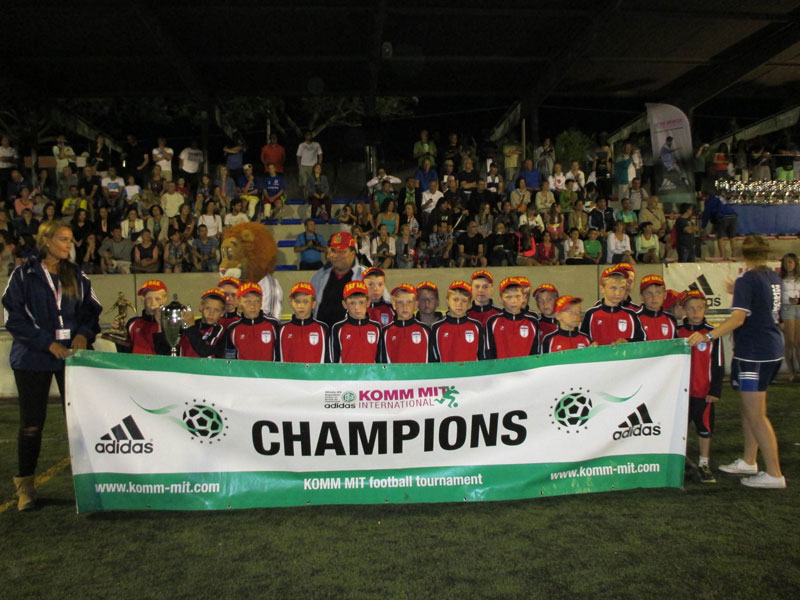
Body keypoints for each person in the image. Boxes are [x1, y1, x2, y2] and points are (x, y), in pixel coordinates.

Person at [2, 221, 102, 510]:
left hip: (71, 356)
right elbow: (14, 319)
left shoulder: (77, 275)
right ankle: (25, 487)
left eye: (70, 240)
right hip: (33, 358)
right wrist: (47, 344)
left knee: (79, 423)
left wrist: (83, 334)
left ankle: (88, 485)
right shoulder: (24, 275)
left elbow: (91, 312)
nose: (69, 245)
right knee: (32, 424)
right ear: (46, 241)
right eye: (63, 239)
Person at [687, 236, 785, 488]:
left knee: (756, 415)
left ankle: (774, 474)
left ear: (743, 254)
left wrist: (708, 335)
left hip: (754, 354)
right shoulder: (772, 276)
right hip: (770, 348)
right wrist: (736, 290)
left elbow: (738, 319)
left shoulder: (747, 279)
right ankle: (749, 460)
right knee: (749, 409)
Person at [677, 290, 724, 483]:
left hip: (703, 392)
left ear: (706, 309)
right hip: (681, 392)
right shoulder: (677, 331)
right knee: (680, 429)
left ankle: (704, 463)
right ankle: (681, 461)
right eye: (691, 308)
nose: (695, 312)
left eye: (699, 307)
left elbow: (719, 363)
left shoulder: (713, 333)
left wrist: (715, 390)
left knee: (704, 428)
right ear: (683, 310)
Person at [311, 232, 368, 329]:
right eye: (333, 251)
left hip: (353, 334)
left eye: (341, 252)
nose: (336, 255)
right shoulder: (320, 275)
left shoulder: (366, 276)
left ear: (352, 254)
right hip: (323, 333)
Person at [580, 267, 644, 346]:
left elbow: (642, 341)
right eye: (613, 288)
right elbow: (582, 341)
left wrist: (627, 342)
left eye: (622, 288)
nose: (618, 293)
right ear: (602, 288)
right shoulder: (591, 314)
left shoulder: (631, 315)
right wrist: (590, 345)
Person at [430, 280, 486, 362]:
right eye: (455, 300)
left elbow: (482, 356)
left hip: (472, 370)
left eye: (464, 301)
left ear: (469, 304)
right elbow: (433, 359)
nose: (459, 304)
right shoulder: (437, 328)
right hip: (446, 370)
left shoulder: (477, 326)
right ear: (447, 302)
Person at [485, 277, 540, 359]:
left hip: (526, 367)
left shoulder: (532, 322)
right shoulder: (492, 321)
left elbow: (536, 352)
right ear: (500, 299)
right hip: (501, 367)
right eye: (508, 297)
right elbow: (489, 351)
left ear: (523, 298)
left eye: (518, 296)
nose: (514, 301)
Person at [379, 284, 433, 363]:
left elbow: (433, 362)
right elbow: (382, 363)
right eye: (400, 302)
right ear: (394, 305)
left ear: (416, 305)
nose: (405, 306)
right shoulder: (385, 332)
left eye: (409, 302)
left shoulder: (426, 330)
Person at [330, 281, 381, 364]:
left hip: (371, 372)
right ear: (344, 304)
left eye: (361, 302)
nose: (357, 307)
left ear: (368, 302)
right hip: (346, 372)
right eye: (352, 303)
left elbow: (380, 359)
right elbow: (333, 359)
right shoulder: (338, 328)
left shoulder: (376, 327)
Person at [278, 282, 330, 363]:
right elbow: (276, 360)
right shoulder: (282, 330)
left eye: (306, 302)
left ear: (314, 304)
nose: (301, 306)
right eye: (297, 301)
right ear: (291, 303)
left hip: (315, 372)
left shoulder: (323, 329)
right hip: (288, 372)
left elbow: (329, 361)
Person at [176, 289, 227, 358]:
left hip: (207, 365)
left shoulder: (220, 330)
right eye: (207, 308)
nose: (211, 313)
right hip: (182, 364)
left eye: (216, 310)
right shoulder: (191, 324)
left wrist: (191, 326)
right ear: (201, 307)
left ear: (222, 313)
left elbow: (204, 351)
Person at [126, 280, 169, 355]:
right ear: (143, 300)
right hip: (137, 362)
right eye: (149, 298)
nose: (153, 303)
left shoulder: (172, 325)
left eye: (157, 299)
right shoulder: (133, 323)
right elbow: (125, 351)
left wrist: (160, 324)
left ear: (164, 300)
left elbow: (167, 353)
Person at [637, 275, 677, 340]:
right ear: (641, 296)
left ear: (665, 295)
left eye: (658, 293)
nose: (654, 297)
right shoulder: (635, 318)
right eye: (649, 293)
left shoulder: (671, 320)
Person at [780, 253, 800, 382]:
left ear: (795, 263)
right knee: (790, 342)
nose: (787, 265)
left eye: (790, 262)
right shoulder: (780, 279)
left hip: (798, 308)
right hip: (787, 309)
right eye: (785, 262)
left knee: (798, 343)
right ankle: (792, 373)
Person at [701, 194, 738, 261]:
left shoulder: (709, 200)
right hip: (733, 216)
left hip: (722, 217)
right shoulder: (721, 197)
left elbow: (707, 213)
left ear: (705, 196)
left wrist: (703, 226)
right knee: (732, 237)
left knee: (720, 237)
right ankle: (734, 256)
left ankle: (722, 256)